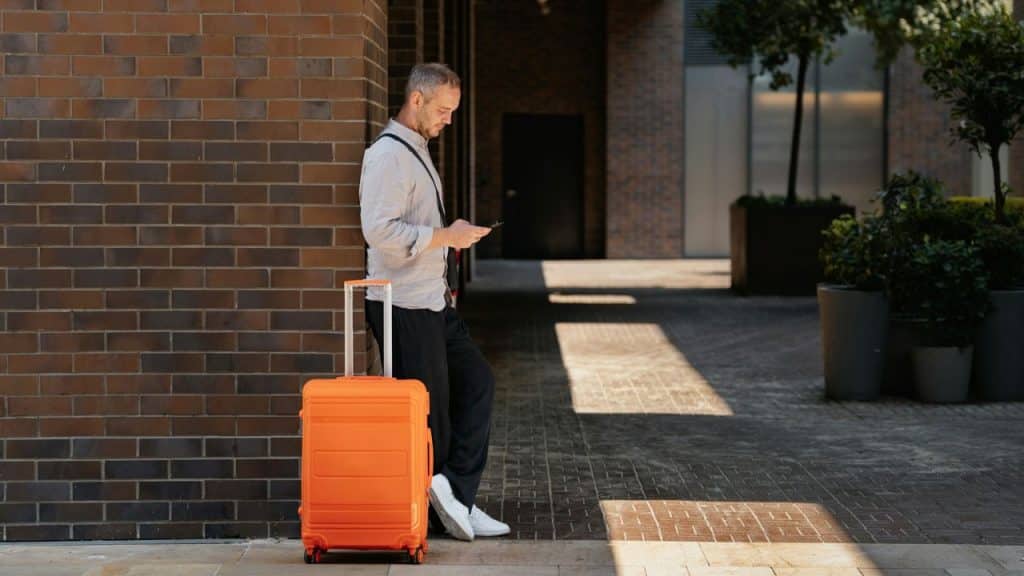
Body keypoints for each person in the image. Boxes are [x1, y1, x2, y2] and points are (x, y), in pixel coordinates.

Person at [358, 63, 509, 541]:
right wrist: (447, 234)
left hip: (432, 301)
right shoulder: (388, 155)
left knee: (478, 382)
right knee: (434, 416)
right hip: (401, 304)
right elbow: (377, 231)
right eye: (443, 110)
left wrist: (451, 236)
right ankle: (450, 507)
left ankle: (457, 496)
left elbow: (416, 224)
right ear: (417, 100)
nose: (448, 119)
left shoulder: (417, 149)